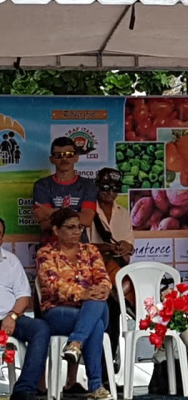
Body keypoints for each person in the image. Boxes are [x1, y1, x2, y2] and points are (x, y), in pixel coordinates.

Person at [36, 209, 113, 400]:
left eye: (79, 227)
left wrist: (104, 288)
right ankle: (96, 387)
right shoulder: (46, 253)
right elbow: (53, 285)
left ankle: (76, 342)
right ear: (56, 230)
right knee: (96, 324)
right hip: (57, 312)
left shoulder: (90, 250)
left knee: (96, 304)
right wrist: (83, 293)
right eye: (70, 227)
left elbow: (103, 277)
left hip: (90, 309)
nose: (77, 231)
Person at [0, 217, 51, 400]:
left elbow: (23, 296)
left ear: (2, 238)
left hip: (9, 318)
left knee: (40, 328)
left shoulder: (10, 260)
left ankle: (24, 389)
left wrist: (12, 316)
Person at [88, 167, 135, 366]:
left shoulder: (122, 213)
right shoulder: (88, 212)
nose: (110, 192)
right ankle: (96, 367)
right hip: (92, 277)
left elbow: (129, 248)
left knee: (115, 317)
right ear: (97, 186)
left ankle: (108, 367)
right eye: (106, 187)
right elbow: (81, 247)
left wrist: (125, 247)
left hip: (115, 278)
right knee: (100, 318)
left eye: (115, 188)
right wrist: (105, 248)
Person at [33, 137, 97, 244]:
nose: (64, 159)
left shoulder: (88, 185)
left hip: (80, 247)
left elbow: (87, 220)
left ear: (76, 157)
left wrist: (52, 212)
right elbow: (44, 225)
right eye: (58, 155)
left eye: (69, 154)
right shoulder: (42, 185)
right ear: (52, 159)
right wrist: (75, 218)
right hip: (49, 248)